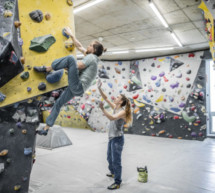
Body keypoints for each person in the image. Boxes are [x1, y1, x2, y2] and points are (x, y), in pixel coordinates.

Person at [34, 27, 106, 135]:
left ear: (94, 50)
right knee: (58, 103)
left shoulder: (92, 57)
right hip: (78, 89)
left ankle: (47, 68)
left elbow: (79, 65)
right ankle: (46, 129)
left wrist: (68, 66)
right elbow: (80, 46)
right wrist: (71, 35)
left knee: (71, 59)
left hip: (78, 85)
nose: (88, 46)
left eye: (90, 45)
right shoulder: (92, 57)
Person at [97, 79, 132, 190]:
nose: (115, 98)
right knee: (109, 157)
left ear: (121, 101)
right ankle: (113, 173)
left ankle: (117, 182)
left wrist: (102, 109)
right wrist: (99, 88)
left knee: (116, 161)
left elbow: (112, 117)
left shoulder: (122, 111)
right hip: (111, 137)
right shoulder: (115, 107)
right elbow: (106, 98)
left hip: (117, 139)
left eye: (118, 97)